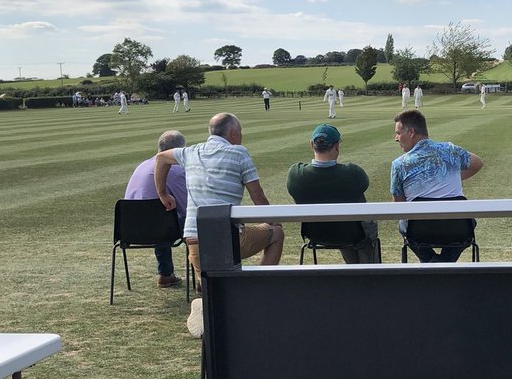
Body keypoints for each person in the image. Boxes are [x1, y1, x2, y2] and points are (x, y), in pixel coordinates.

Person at [155, 111, 284, 295]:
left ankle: (205, 287)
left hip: (194, 241)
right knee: (277, 233)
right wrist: (273, 220)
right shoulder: (239, 153)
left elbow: (161, 158)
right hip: (226, 241)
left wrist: (162, 193)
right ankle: (257, 288)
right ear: (232, 133)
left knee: (212, 292)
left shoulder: (191, 151)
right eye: (240, 131)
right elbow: (258, 196)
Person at [390, 109, 484, 263]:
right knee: (469, 222)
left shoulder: (399, 164)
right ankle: (445, 262)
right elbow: (477, 162)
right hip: (457, 229)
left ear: (411, 132)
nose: (396, 138)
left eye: (398, 133)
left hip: (419, 231)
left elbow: (398, 206)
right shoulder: (450, 151)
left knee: (403, 224)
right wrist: (449, 175)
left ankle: (431, 262)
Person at [286, 124, 379, 264]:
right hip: (351, 234)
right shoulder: (353, 174)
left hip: (315, 234)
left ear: (312, 145)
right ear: (337, 146)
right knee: (363, 219)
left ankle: (357, 268)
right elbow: (362, 185)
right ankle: (368, 274)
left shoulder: (296, 175)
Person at [125, 130, 187, 287]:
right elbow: (187, 207)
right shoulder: (175, 170)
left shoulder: (142, 165)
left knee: (159, 216)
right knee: (193, 222)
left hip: (128, 230)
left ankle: (165, 273)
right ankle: (201, 275)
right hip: (161, 229)